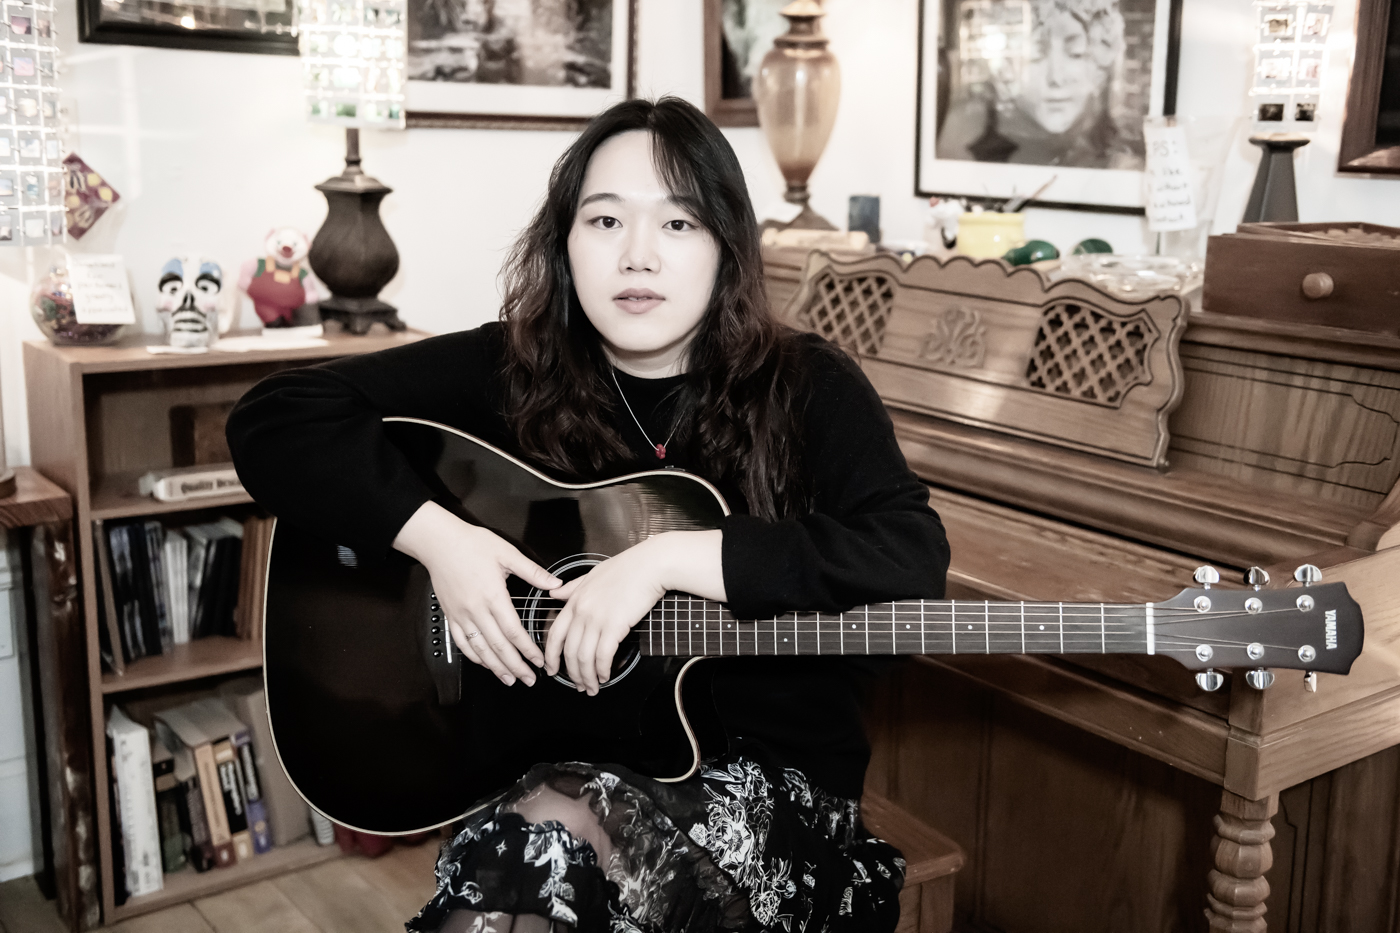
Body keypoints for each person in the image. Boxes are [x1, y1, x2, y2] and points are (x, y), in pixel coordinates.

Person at [227, 96, 949, 933]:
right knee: (540, 843)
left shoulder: (808, 385)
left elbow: (909, 552)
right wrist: (444, 543)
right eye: (605, 221)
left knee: (535, 850)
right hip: (557, 771)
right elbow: (273, 419)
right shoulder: (514, 368)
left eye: (678, 223)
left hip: (771, 797)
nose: (638, 254)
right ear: (564, 243)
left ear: (726, 246)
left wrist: (668, 559)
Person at [937, 0, 1139, 169]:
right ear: (1006, 66)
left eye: (1075, 52)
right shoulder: (963, 138)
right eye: (1035, 56)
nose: (1056, 77)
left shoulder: (1125, 166)